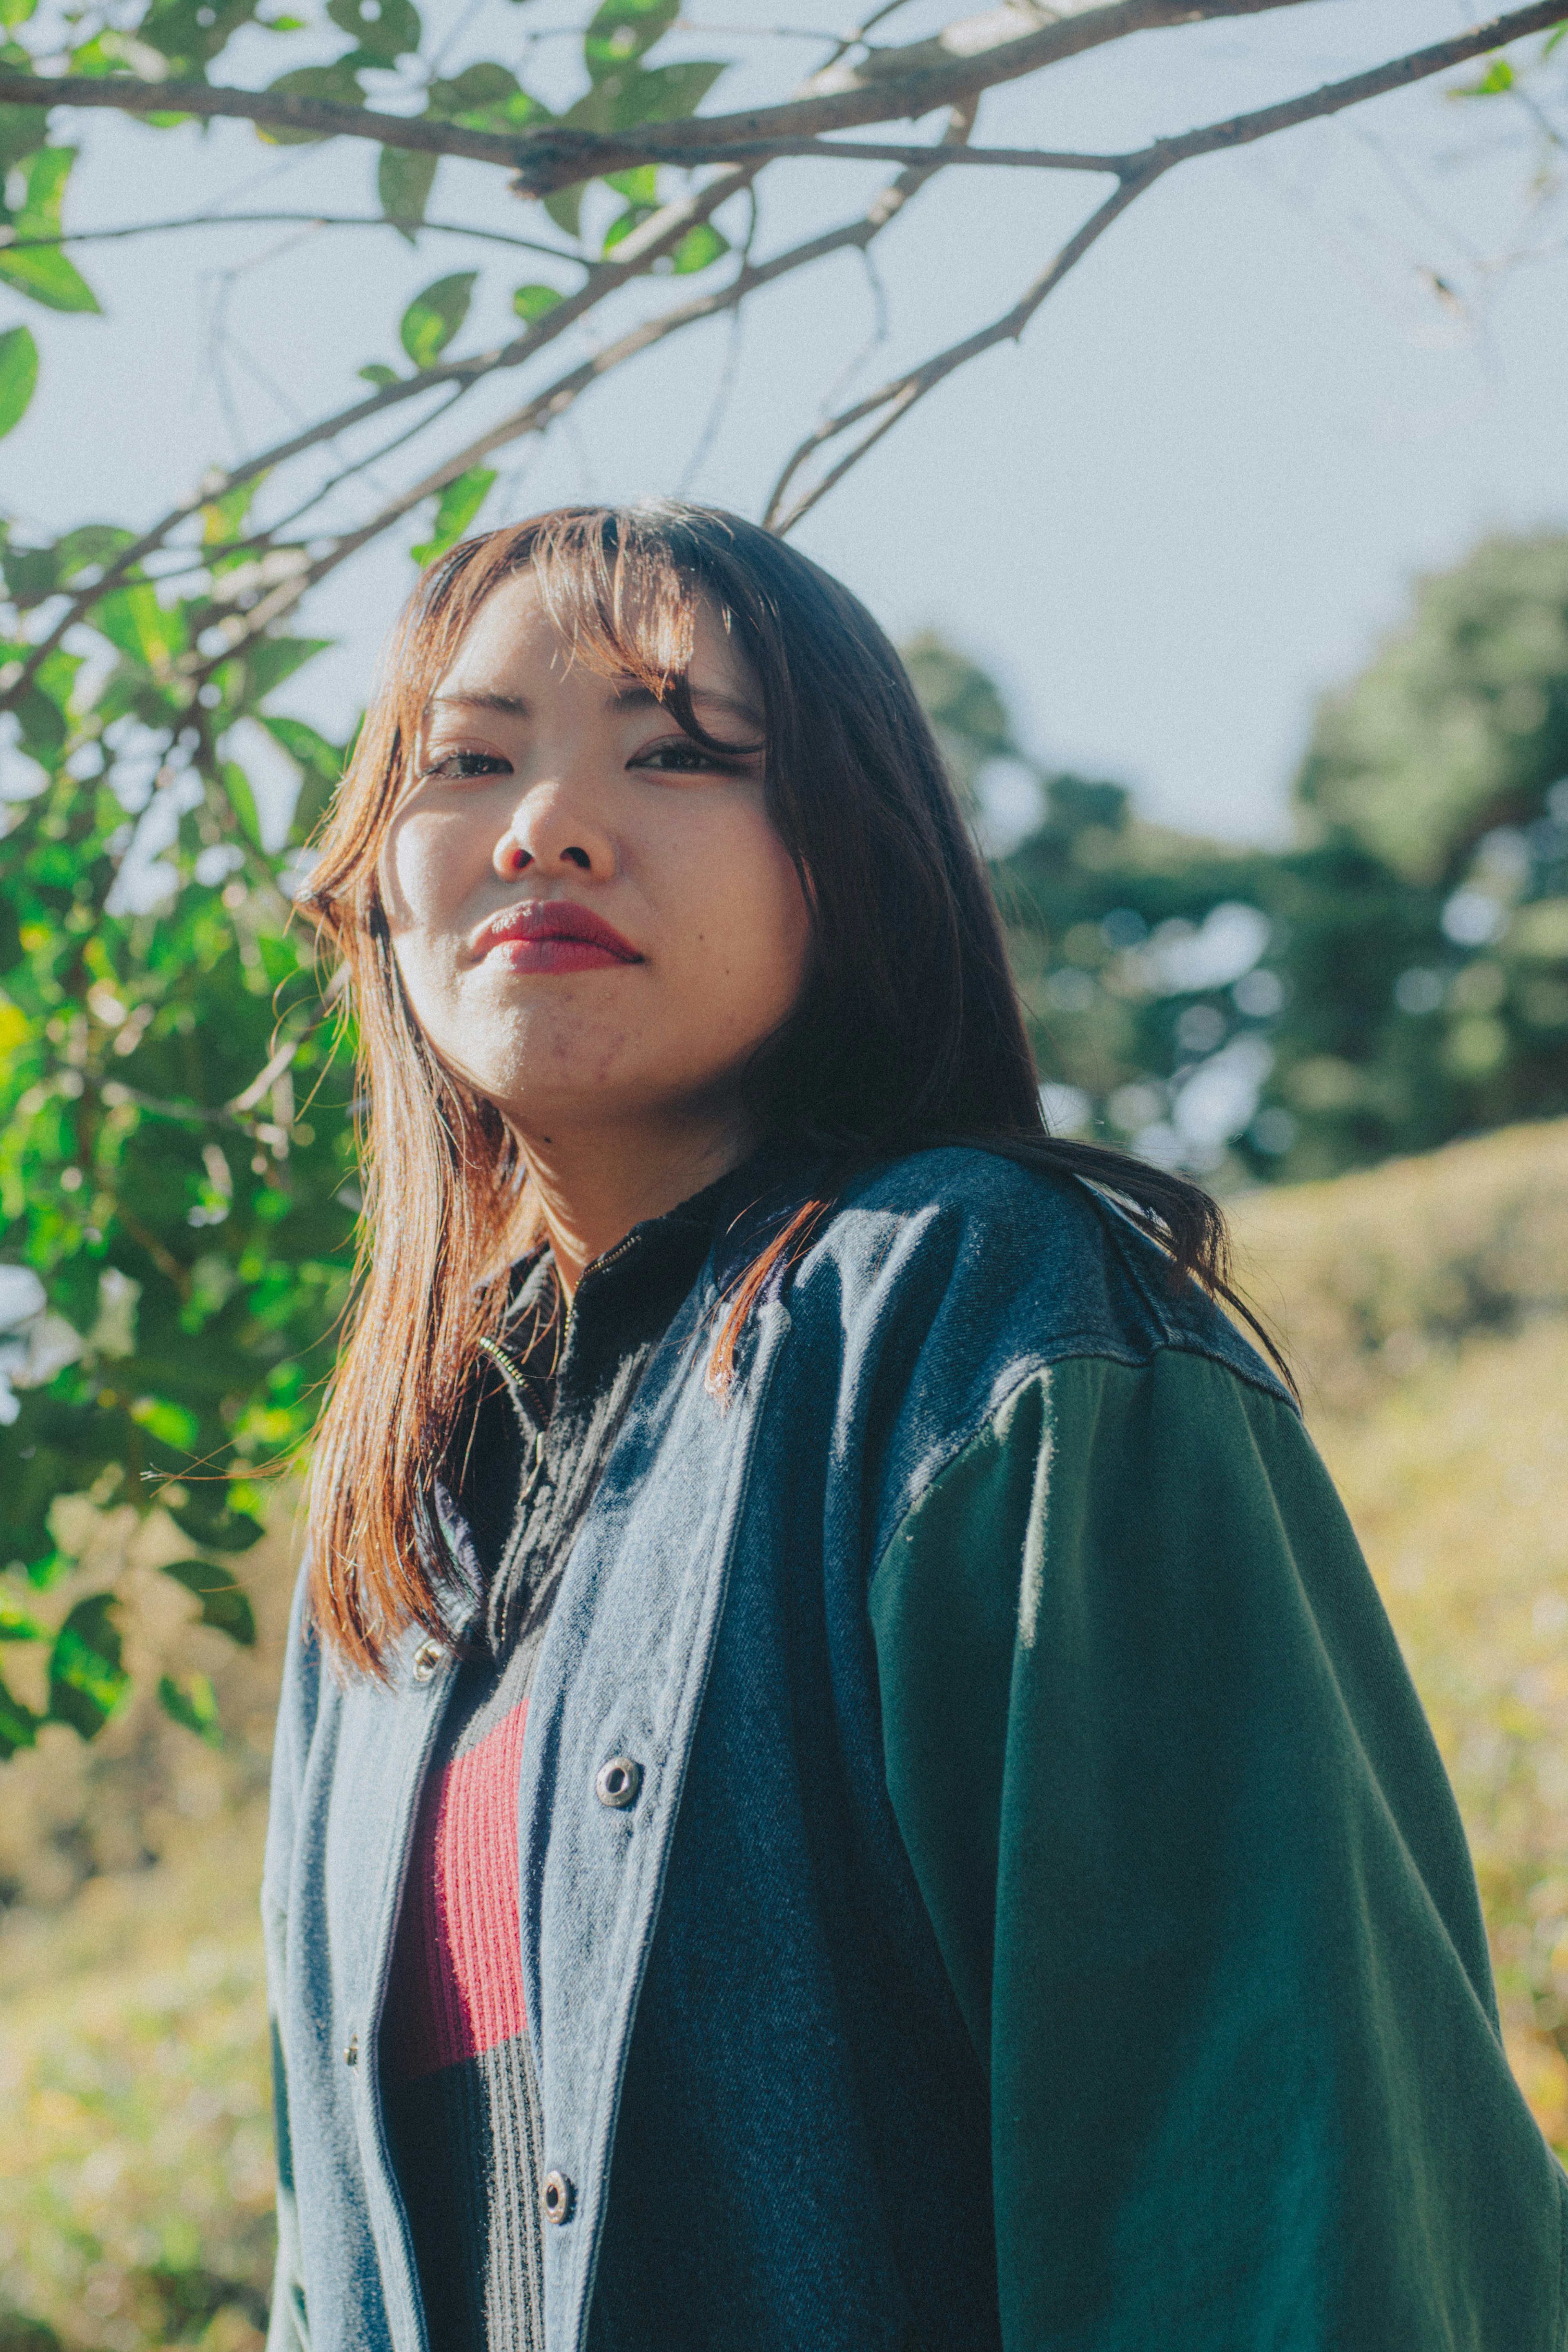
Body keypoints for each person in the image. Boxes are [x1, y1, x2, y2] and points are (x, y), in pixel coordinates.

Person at [263, 502, 1565, 2352]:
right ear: (378, 879)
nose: (543, 822)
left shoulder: (992, 1322)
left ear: (848, 858)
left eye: (678, 751)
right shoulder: (400, 1521)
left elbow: (1282, 2171)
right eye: (466, 760)